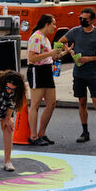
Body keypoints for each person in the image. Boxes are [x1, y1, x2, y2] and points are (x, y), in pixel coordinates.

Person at [60, 7, 96, 144]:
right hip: (78, 73)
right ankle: (85, 132)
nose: (81, 21)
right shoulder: (75, 31)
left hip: (92, 73)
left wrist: (89, 59)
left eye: (85, 19)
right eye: (80, 18)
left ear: (93, 20)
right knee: (82, 102)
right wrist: (69, 52)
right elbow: (60, 42)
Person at [26, 14, 68, 146]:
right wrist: (51, 53)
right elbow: (32, 58)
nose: (55, 27)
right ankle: (33, 136)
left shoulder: (45, 38)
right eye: (53, 24)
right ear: (46, 24)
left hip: (46, 69)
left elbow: (49, 57)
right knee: (35, 104)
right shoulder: (37, 37)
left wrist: (64, 53)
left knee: (51, 103)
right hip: (37, 70)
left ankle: (42, 133)